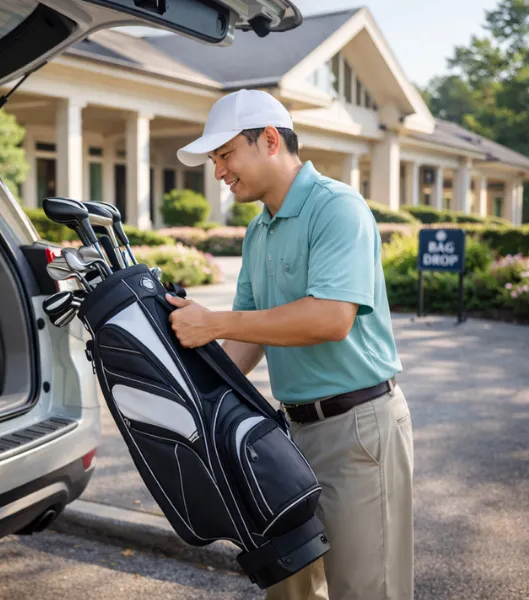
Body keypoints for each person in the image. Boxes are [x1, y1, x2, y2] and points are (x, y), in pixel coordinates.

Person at [166, 89, 414, 600]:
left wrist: (214, 323)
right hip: (291, 436)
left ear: (271, 141)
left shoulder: (337, 208)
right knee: (291, 588)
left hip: (358, 432)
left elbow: (330, 318)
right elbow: (244, 343)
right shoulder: (258, 233)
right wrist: (197, 409)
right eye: (215, 160)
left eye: (226, 154)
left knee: (367, 590)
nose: (219, 172)